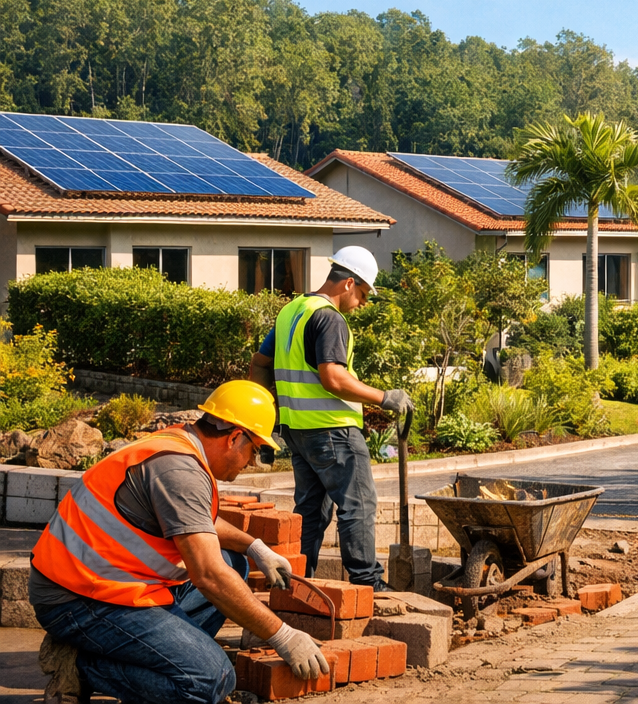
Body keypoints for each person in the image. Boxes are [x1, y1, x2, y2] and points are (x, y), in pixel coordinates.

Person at [31, 381, 331, 704]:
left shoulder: (181, 443)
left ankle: (150, 656)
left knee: (236, 563)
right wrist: (282, 635)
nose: (251, 464)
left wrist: (254, 547)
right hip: (75, 599)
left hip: (113, 582)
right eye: (254, 451)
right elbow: (209, 577)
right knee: (211, 680)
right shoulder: (179, 471)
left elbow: (196, 521)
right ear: (234, 438)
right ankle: (79, 664)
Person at [248, 246, 411, 590]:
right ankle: (369, 586)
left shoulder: (291, 311)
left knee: (309, 512)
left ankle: (295, 582)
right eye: (364, 294)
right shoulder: (330, 317)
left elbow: (258, 366)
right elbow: (333, 378)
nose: (363, 303)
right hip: (333, 433)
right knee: (358, 505)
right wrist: (385, 398)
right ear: (349, 283)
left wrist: (264, 420)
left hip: (297, 433)